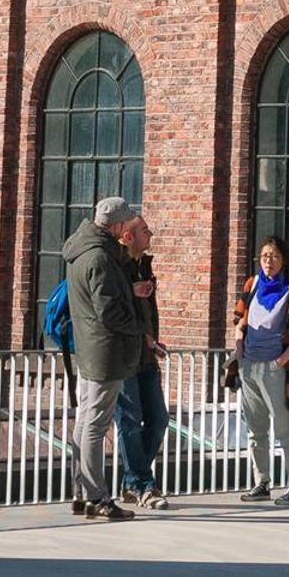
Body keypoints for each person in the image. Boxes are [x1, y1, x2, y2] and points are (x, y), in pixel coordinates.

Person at [64, 197, 149, 520]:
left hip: (89, 348)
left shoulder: (83, 250)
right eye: (126, 222)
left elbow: (103, 298)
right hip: (105, 351)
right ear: (114, 225)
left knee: (85, 420)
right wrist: (139, 325)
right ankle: (97, 497)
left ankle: (82, 493)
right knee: (95, 425)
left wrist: (130, 289)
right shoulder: (99, 257)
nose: (129, 226)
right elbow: (109, 311)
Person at [231, 236, 289, 506]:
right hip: (250, 367)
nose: (269, 261)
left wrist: (281, 361)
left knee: (286, 430)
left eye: (274, 257)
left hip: (278, 370)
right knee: (256, 430)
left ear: (284, 261)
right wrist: (239, 349)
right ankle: (262, 482)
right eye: (265, 256)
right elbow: (239, 319)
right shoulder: (252, 284)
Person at [115, 214, 172, 509]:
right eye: (145, 231)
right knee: (129, 421)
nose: (150, 235)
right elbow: (112, 310)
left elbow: (146, 311)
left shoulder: (143, 265)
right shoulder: (116, 267)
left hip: (147, 355)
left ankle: (133, 481)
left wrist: (152, 340)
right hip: (123, 356)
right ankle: (143, 484)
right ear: (128, 237)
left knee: (159, 419)